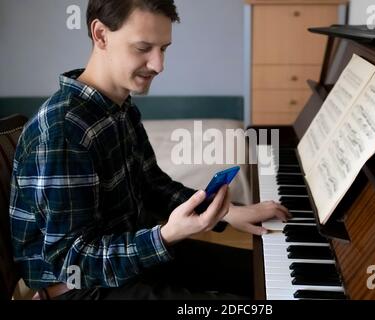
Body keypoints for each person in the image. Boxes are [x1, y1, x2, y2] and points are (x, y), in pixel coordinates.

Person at [9, 0, 290, 300]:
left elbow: (153, 185)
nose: (159, 65)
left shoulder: (119, 109)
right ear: (101, 35)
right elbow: (72, 263)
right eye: (143, 48)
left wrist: (226, 211)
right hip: (83, 287)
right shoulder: (64, 130)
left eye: (163, 48)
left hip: (131, 259)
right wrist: (166, 234)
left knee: (265, 276)